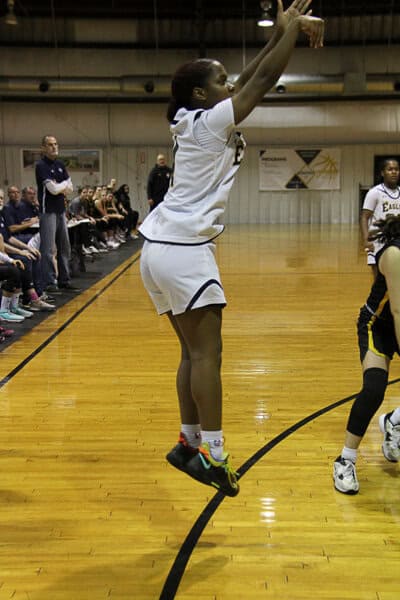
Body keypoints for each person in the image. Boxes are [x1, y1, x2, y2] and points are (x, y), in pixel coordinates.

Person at [139, 0, 324, 497]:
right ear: (202, 94)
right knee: (208, 354)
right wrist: (292, 32)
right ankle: (216, 456)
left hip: (159, 248)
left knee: (191, 353)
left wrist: (280, 34)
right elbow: (260, 85)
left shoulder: (194, 120)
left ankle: (188, 442)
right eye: (220, 81)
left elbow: (248, 80)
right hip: (182, 247)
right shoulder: (208, 124)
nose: (231, 85)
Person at [333, 215, 400, 495]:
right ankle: (345, 460)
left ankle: (393, 421)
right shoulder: (395, 254)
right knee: (374, 389)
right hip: (379, 326)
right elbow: (397, 311)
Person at [35, 135, 80, 293]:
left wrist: (59, 186)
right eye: (50, 145)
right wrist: (62, 186)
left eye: (55, 144)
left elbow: (71, 187)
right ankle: (49, 281)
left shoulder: (60, 165)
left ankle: (64, 280)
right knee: (48, 249)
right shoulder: (41, 166)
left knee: (64, 247)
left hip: (61, 211)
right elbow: (52, 190)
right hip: (48, 212)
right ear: (43, 148)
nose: (54, 147)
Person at [360, 158, 400, 279]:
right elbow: (364, 217)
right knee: (379, 280)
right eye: (390, 169)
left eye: (397, 169)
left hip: (397, 239)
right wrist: (366, 240)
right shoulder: (374, 192)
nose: (394, 172)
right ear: (383, 173)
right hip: (378, 241)